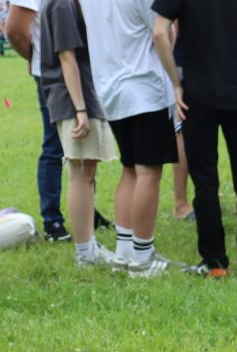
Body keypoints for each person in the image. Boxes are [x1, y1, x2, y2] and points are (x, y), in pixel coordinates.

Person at [150, 0, 237, 279]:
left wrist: (175, 82)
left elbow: (159, 32)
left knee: (205, 182)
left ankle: (214, 262)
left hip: (197, 93)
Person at [77, 0, 175, 275]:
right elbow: (161, 31)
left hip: (109, 86)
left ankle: (125, 251)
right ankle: (142, 257)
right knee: (148, 172)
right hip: (145, 85)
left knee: (131, 168)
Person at [37, 0, 118, 267]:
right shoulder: (61, 4)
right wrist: (80, 108)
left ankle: (88, 246)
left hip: (77, 95)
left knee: (84, 171)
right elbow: (66, 56)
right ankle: (86, 252)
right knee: (81, 172)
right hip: (74, 97)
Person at [4, 0, 74, 242]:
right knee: (55, 146)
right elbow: (14, 29)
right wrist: (39, 58)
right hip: (53, 73)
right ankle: (52, 221)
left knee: (81, 144)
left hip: (76, 67)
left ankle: (85, 211)